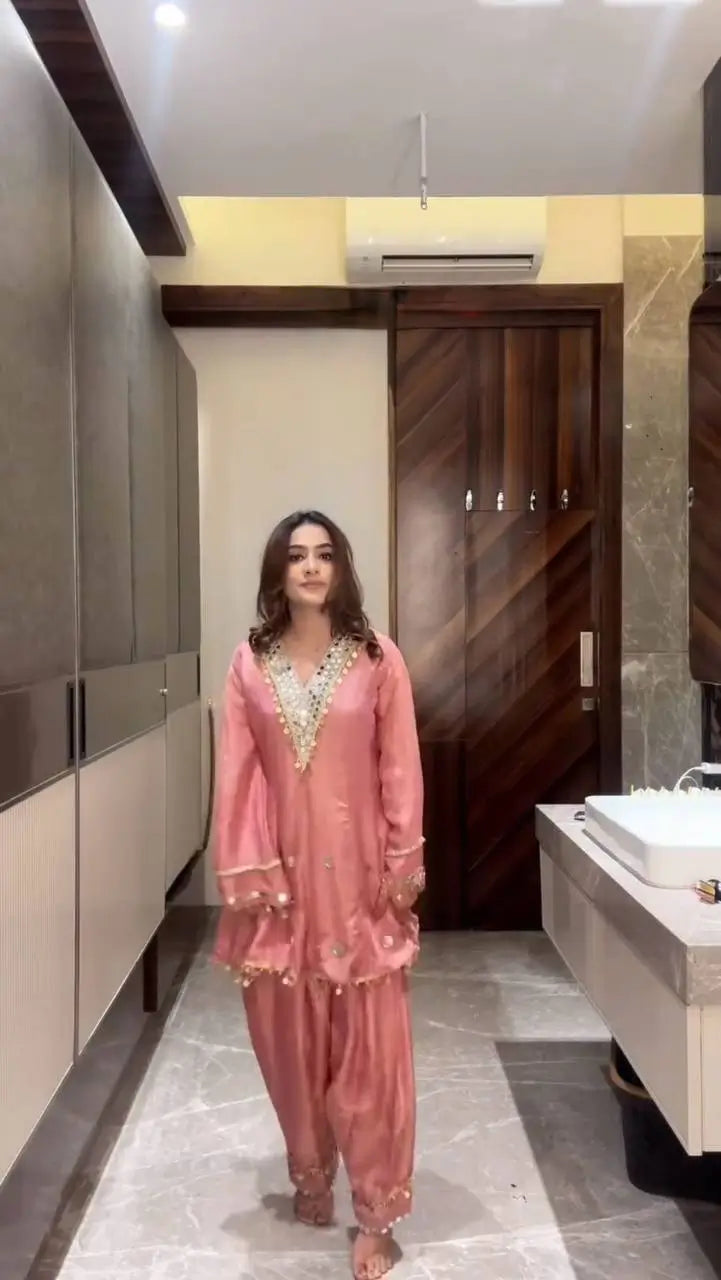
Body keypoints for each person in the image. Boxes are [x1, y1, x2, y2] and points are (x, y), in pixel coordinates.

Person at [212, 510, 425, 1280]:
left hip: (358, 885)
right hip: (283, 889)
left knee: (369, 1051)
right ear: (278, 571)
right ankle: (311, 1171)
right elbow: (237, 772)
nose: (309, 567)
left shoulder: (375, 658)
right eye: (296, 555)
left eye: (324, 554)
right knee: (287, 1042)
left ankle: (375, 1214)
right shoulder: (250, 662)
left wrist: (402, 856)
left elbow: (399, 764)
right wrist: (248, 867)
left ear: (341, 568)